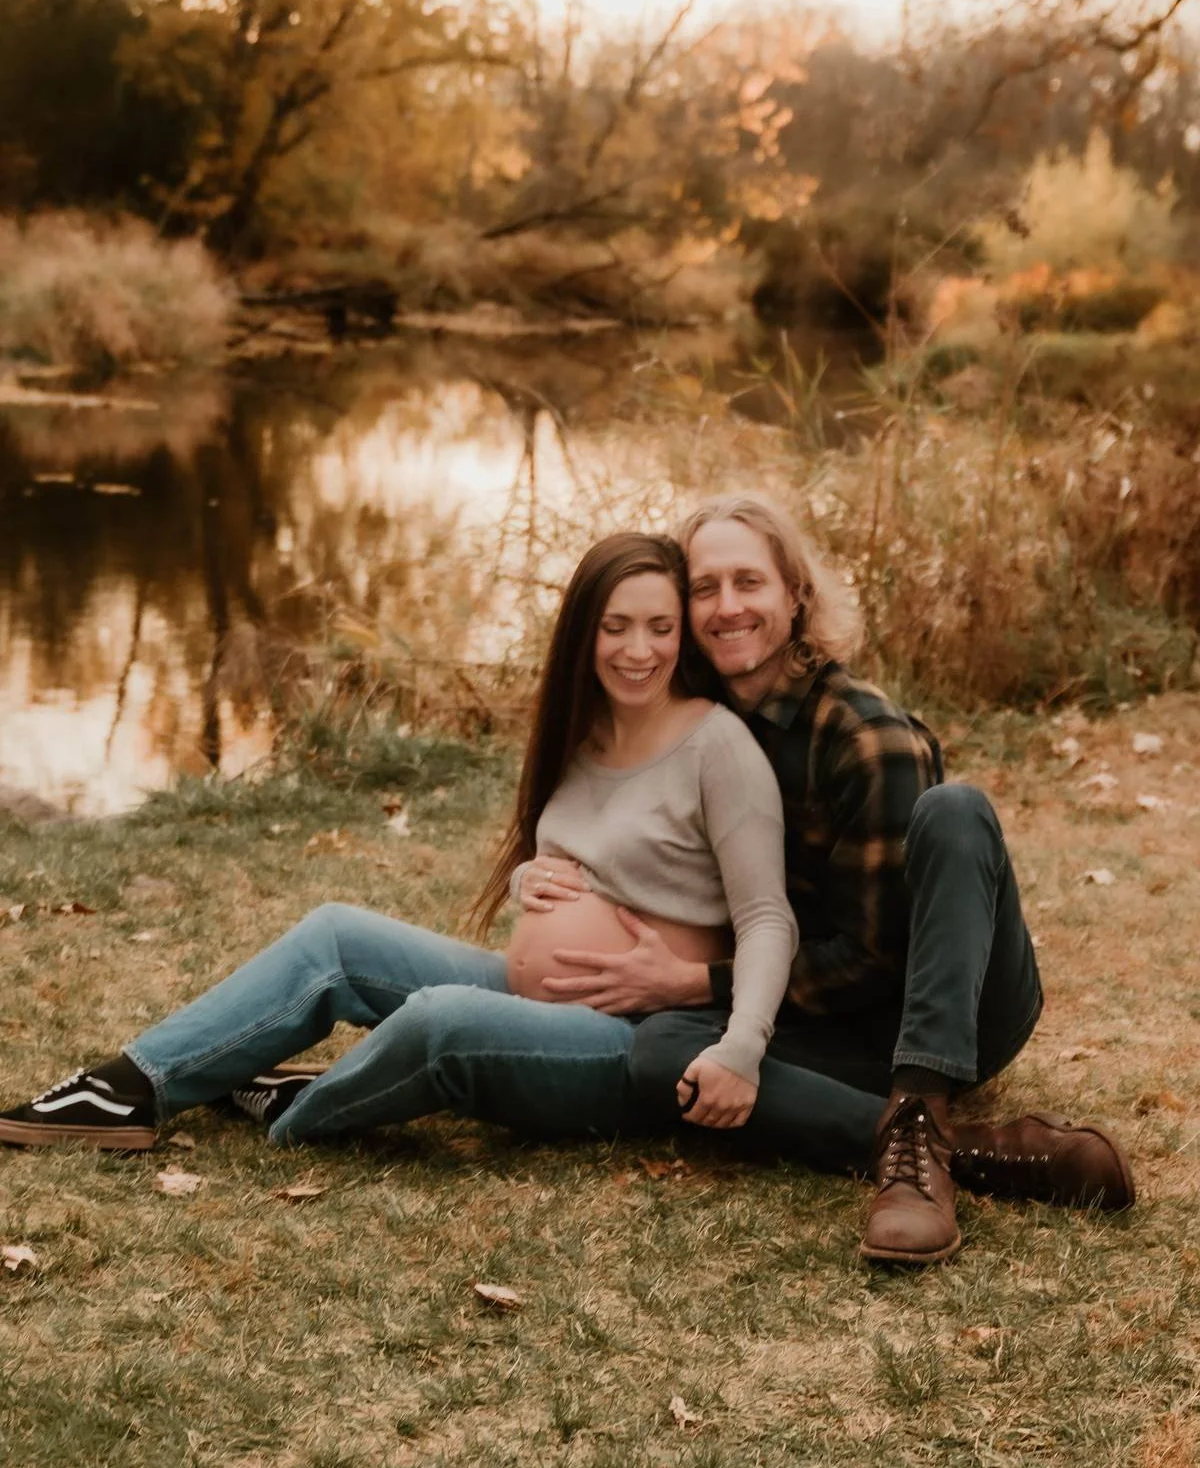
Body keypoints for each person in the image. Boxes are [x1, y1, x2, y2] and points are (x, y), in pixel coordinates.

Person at [0, 534, 797, 1154]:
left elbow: (767, 917)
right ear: (583, 633)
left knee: (441, 1018)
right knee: (336, 935)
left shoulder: (716, 746)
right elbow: (601, 854)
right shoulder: (584, 734)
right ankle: (125, 1089)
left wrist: (740, 1049)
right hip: (535, 1005)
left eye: (660, 628)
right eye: (615, 626)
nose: (639, 649)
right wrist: (531, 884)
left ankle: (291, 1108)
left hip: (634, 1045)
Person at [538, 496, 1134, 1266]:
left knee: (955, 812)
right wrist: (547, 873)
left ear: (795, 596)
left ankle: (919, 1123)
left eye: (749, 582)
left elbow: (876, 960)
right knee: (660, 1054)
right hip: (819, 1018)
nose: (727, 607)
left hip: (946, 999)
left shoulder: (864, 734)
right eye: (704, 587)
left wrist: (692, 981)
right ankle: (974, 1151)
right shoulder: (696, 722)